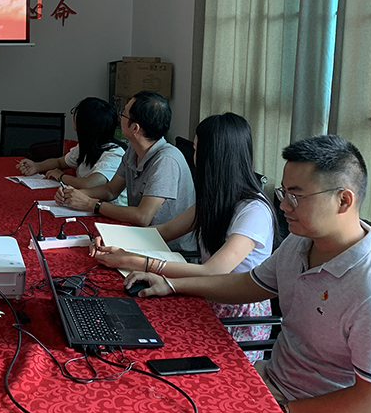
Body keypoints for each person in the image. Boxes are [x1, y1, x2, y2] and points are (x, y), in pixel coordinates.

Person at [128, 135, 371, 413]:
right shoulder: (301, 243)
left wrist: (283, 410)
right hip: (272, 386)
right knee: (160, 408)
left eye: (296, 196)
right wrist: (172, 285)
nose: (283, 205)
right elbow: (249, 283)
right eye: (284, 192)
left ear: (343, 200)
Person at [90, 112, 274, 360]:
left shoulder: (254, 210)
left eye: (196, 150)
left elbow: (213, 271)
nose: (194, 158)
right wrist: (114, 241)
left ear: (212, 157)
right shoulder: (216, 197)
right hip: (202, 295)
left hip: (236, 317)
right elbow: (164, 231)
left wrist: (134, 261)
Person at [56, 91, 196, 251]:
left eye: (123, 114)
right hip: (139, 235)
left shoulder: (166, 160)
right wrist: (75, 194)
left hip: (165, 248)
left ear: (135, 128)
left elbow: (143, 217)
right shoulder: (133, 150)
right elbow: (111, 190)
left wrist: (90, 203)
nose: (119, 117)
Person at [16, 97, 127, 205]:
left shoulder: (114, 154)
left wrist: (61, 176)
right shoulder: (87, 145)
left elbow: (89, 184)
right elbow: (60, 162)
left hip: (110, 209)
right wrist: (37, 166)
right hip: (86, 204)